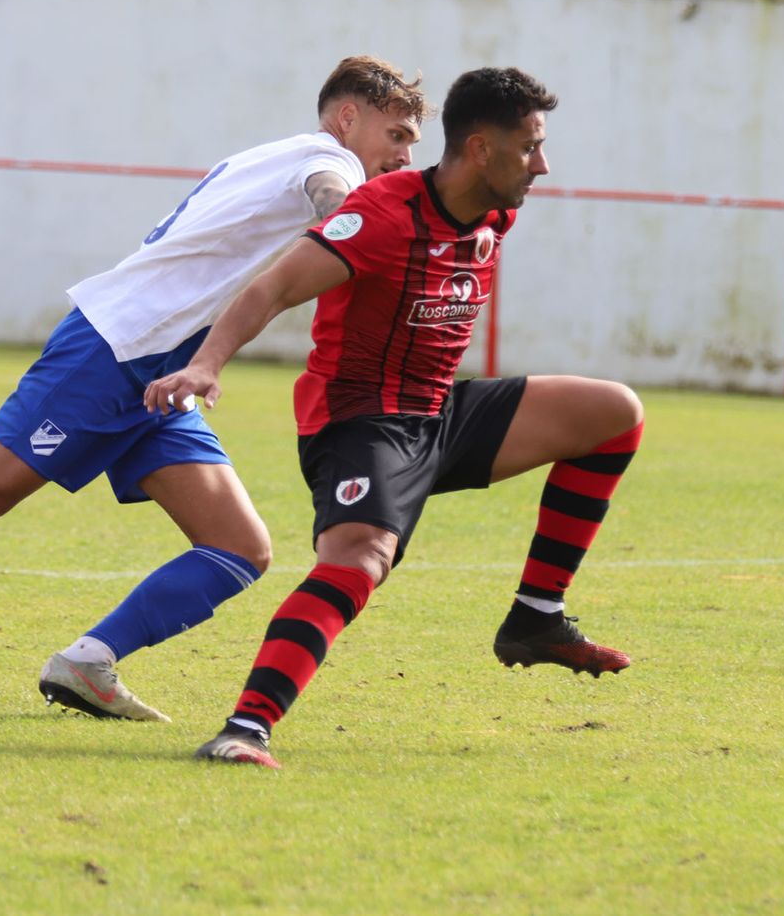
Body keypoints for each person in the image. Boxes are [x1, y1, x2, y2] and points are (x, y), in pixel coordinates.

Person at [0, 55, 430, 715]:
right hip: (112, 350)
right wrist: (366, 225)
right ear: (347, 118)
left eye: (412, 141)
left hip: (163, 372)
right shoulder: (328, 161)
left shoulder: (277, 155)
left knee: (239, 548)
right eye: (396, 134)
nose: (404, 154)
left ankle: (87, 661)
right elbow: (331, 197)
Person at [143, 67, 644, 769]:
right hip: (361, 418)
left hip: (439, 409)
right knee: (360, 561)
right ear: (480, 150)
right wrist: (206, 364)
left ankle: (536, 616)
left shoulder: (495, 211)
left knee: (613, 413)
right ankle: (246, 727)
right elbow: (275, 286)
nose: (542, 165)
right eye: (530, 147)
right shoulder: (382, 214)